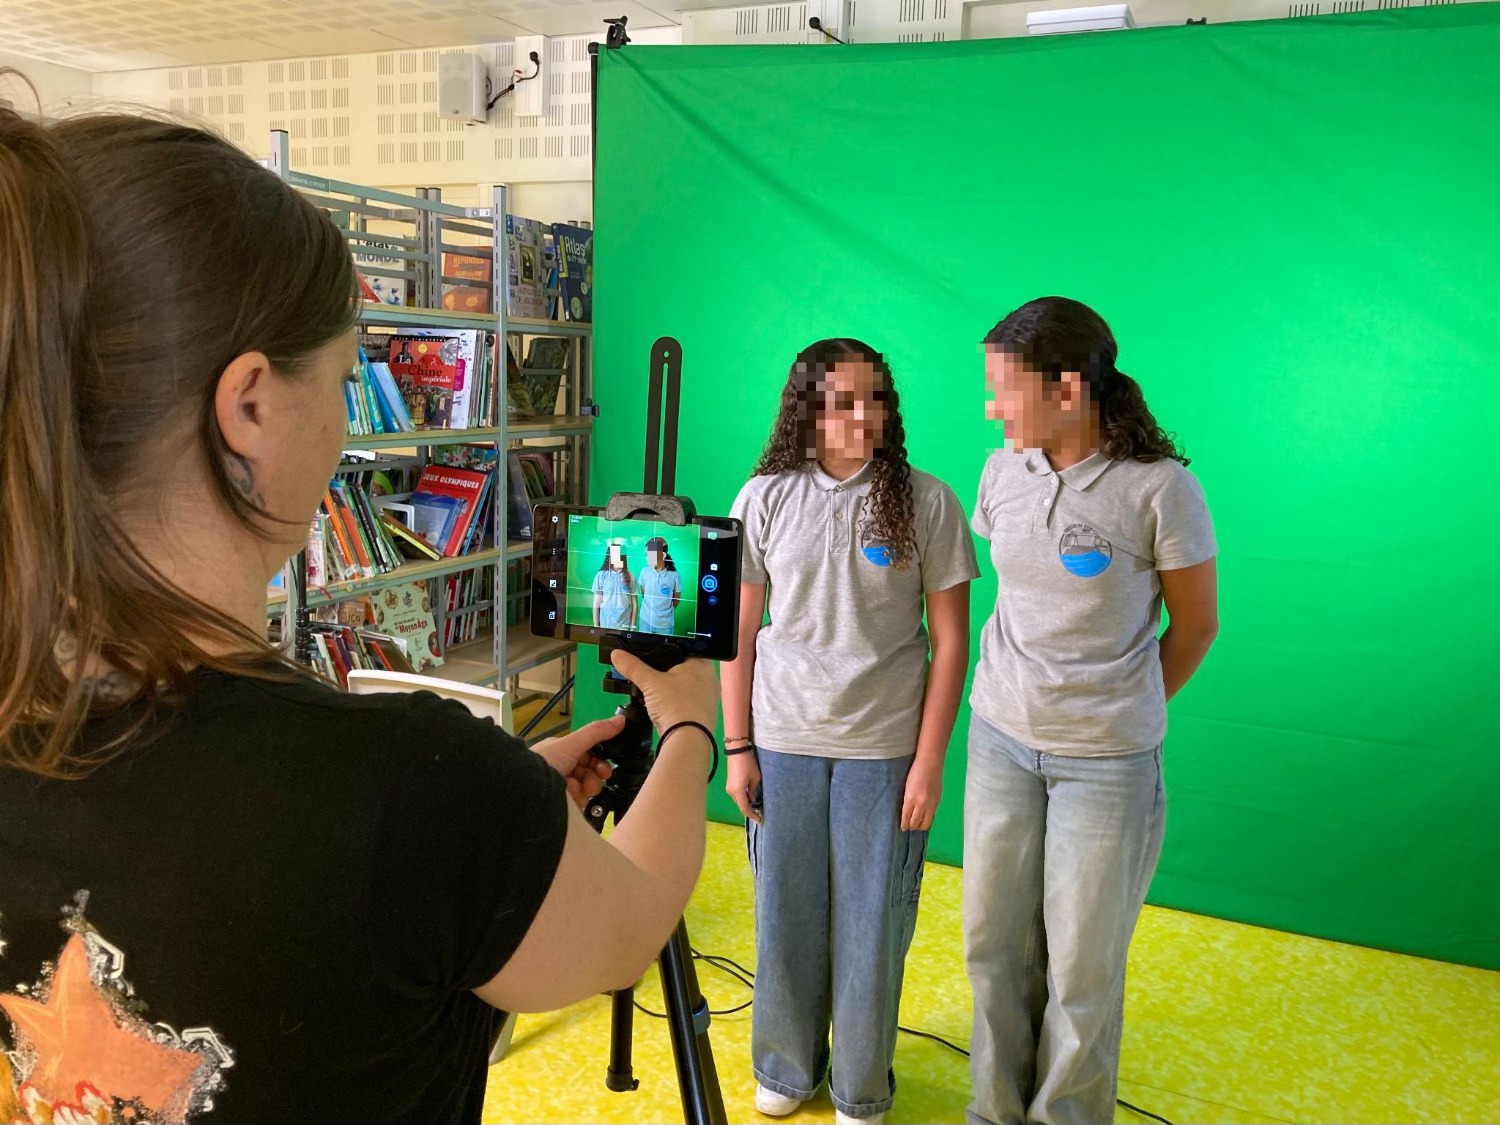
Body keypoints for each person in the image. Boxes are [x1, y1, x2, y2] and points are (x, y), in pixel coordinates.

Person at [0, 100, 721, 1125]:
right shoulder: (414, 788)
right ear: (250, 404)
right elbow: (628, 926)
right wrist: (689, 727)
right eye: (345, 379)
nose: (348, 424)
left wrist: (498, 837)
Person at [964, 297, 1220, 1125]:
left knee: (1082, 968)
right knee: (993, 948)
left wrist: (1116, 711)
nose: (993, 408)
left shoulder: (1162, 490)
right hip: (999, 741)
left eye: (1006, 389)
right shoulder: (1002, 471)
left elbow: (1197, 626)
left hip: (1106, 765)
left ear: (1068, 389)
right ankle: (993, 1112)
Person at [721, 338, 979, 1125]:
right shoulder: (764, 497)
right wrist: (738, 746)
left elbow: (952, 642)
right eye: (841, 401)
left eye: (875, 399)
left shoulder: (927, 501)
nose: (861, 416)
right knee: (784, 915)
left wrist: (929, 762)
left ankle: (861, 1087)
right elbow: (739, 631)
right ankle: (786, 1066)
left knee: (872, 924)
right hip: (783, 739)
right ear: (806, 409)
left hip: (884, 748)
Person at [636, 534, 683, 636]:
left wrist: (663, 613)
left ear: (663, 555)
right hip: (645, 621)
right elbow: (644, 595)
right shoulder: (644, 572)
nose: (647, 558)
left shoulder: (675, 576)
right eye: (647, 554)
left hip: (665, 626)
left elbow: (676, 600)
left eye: (650, 554)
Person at [591, 542, 636, 629]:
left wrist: (632, 628)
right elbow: (596, 604)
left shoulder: (631, 576)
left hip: (624, 625)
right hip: (605, 625)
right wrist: (596, 627)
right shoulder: (601, 575)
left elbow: (634, 604)